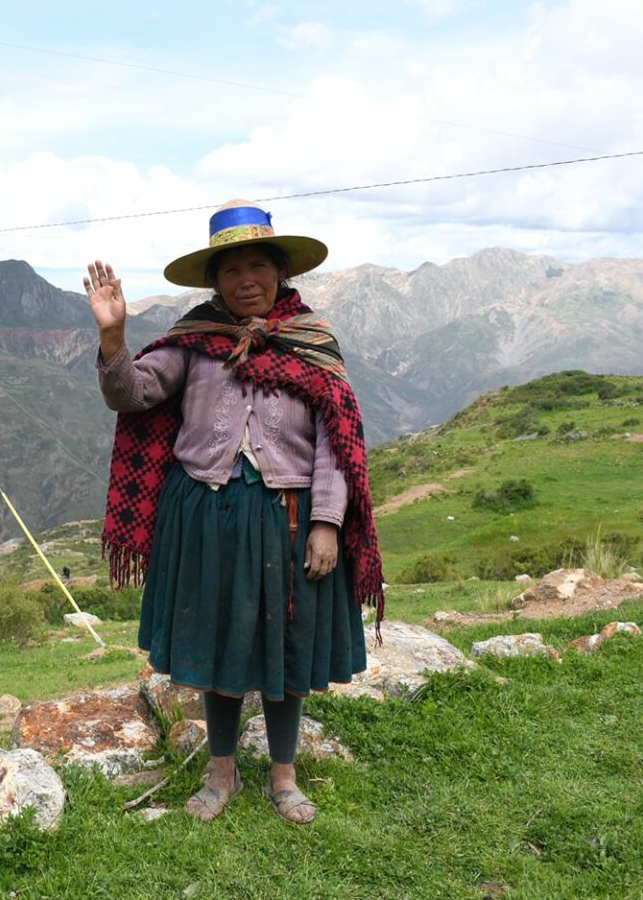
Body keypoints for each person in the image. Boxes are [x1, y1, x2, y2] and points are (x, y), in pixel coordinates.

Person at [86, 199, 382, 825]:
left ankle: (283, 776)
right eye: (231, 270)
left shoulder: (313, 342)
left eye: (257, 267)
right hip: (204, 514)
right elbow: (131, 394)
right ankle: (221, 773)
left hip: (288, 516)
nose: (246, 280)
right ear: (214, 281)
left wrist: (327, 522)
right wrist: (113, 339)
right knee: (215, 641)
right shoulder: (194, 342)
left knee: (285, 643)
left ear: (280, 273)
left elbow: (337, 441)